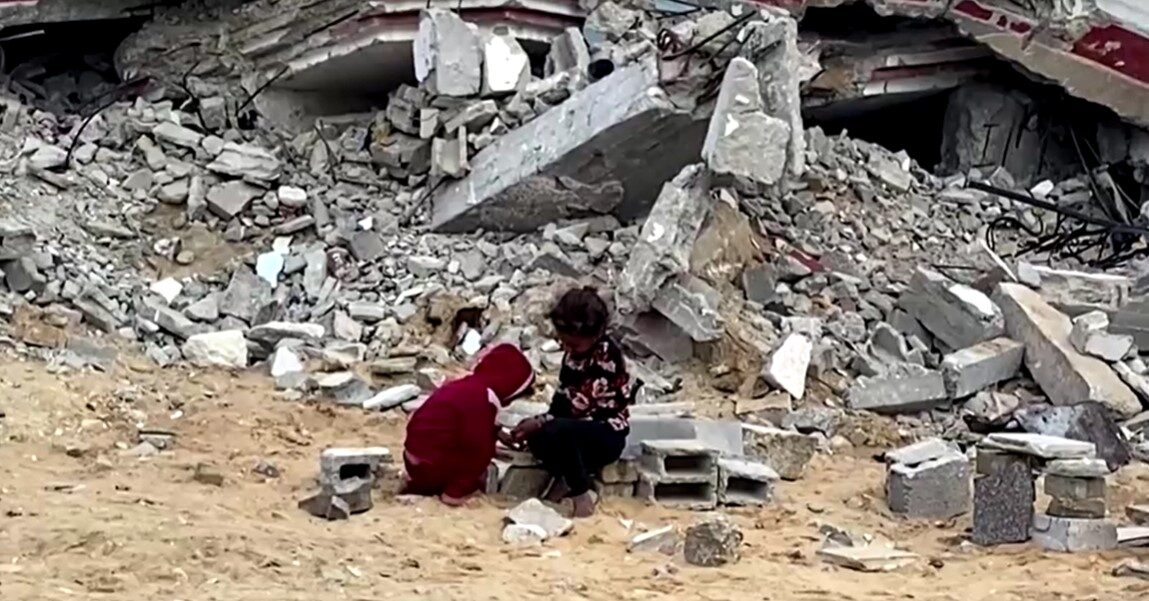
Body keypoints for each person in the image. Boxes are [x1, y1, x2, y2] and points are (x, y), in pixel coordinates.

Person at [511, 287, 636, 518]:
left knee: (558, 431)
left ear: (596, 335)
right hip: (575, 430)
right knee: (542, 437)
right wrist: (534, 426)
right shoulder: (573, 356)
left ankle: (581, 494)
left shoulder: (606, 355)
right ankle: (568, 479)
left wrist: (541, 421)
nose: (568, 349)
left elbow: (579, 406)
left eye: (574, 345)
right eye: (564, 343)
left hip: (604, 432)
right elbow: (561, 400)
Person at [402, 343, 535, 506]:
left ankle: (425, 484)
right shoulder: (484, 399)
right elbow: (477, 442)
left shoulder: (468, 386)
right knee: (483, 451)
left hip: (414, 459)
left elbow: (461, 419)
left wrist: (496, 431)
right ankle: (454, 494)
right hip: (431, 465)